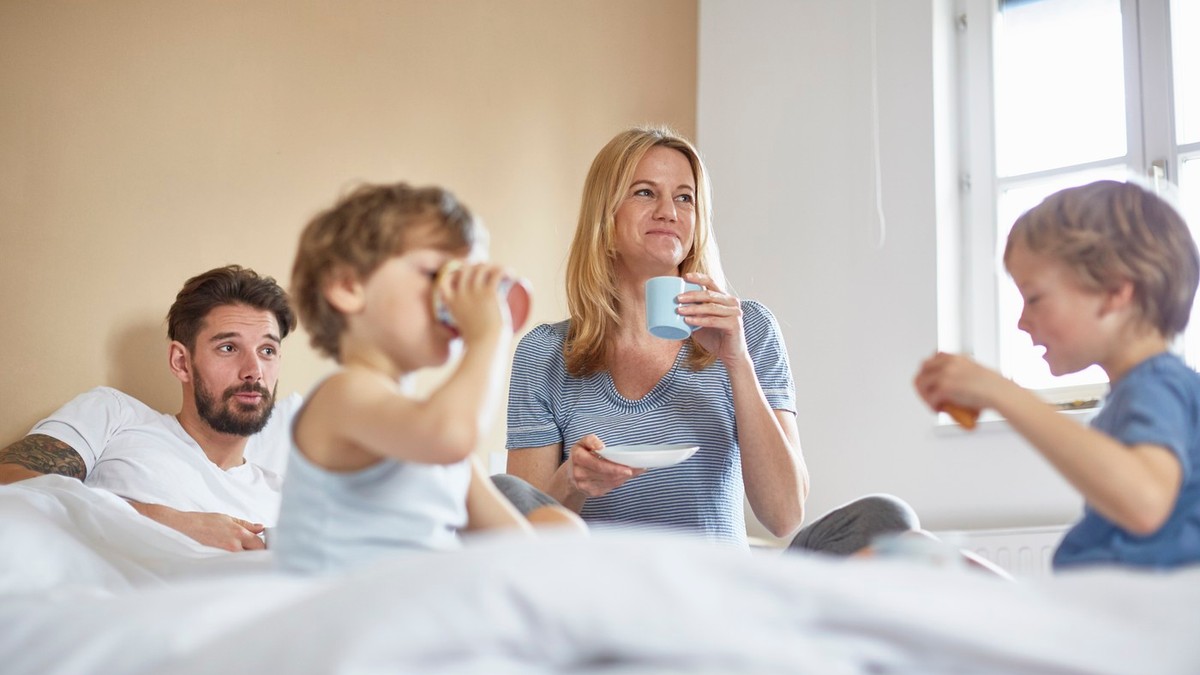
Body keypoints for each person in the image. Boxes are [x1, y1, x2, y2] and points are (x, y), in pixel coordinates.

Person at [505, 125, 918, 553]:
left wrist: (737, 360)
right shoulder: (545, 353)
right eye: (645, 193)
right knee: (503, 492)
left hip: (719, 594)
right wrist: (574, 480)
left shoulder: (747, 328)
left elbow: (783, 515)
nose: (670, 212)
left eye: (685, 197)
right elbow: (517, 536)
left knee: (885, 519)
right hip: (608, 594)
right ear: (603, 216)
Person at [275, 182, 581, 575]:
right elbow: (452, 434)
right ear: (349, 286)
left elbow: (510, 544)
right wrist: (488, 335)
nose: (453, 299)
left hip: (416, 609)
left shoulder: (437, 442)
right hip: (346, 620)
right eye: (437, 274)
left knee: (558, 528)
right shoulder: (344, 395)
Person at [914, 180, 1200, 570]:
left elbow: (1146, 503)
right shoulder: (1140, 389)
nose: (1021, 321)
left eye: (1034, 298)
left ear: (1115, 290)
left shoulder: (1157, 385)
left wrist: (1002, 394)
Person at [0, 265, 300, 551]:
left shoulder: (288, 501)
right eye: (228, 348)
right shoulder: (115, 415)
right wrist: (171, 523)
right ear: (181, 362)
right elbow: (8, 478)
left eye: (267, 350)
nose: (254, 371)